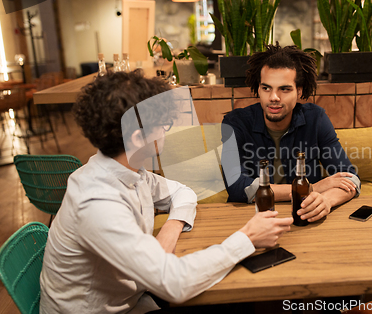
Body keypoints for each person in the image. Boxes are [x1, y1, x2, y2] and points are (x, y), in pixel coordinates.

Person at [39, 70, 293, 314]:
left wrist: (170, 229)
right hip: (116, 309)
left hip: (134, 297)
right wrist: (247, 237)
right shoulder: (97, 203)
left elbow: (183, 192)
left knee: (240, 299)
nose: (165, 131)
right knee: (241, 300)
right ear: (138, 138)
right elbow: (175, 284)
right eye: (162, 124)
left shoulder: (128, 169)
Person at [221, 44, 361, 223]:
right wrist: (312, 188)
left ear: (299, 91)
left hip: (306, 217)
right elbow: (237, 187)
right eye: (266, 88)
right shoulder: (235, 123)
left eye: (284, 89)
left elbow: (351, 179)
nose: (274, 97)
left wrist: (326, 200)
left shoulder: (315, 119)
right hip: (250, 220)